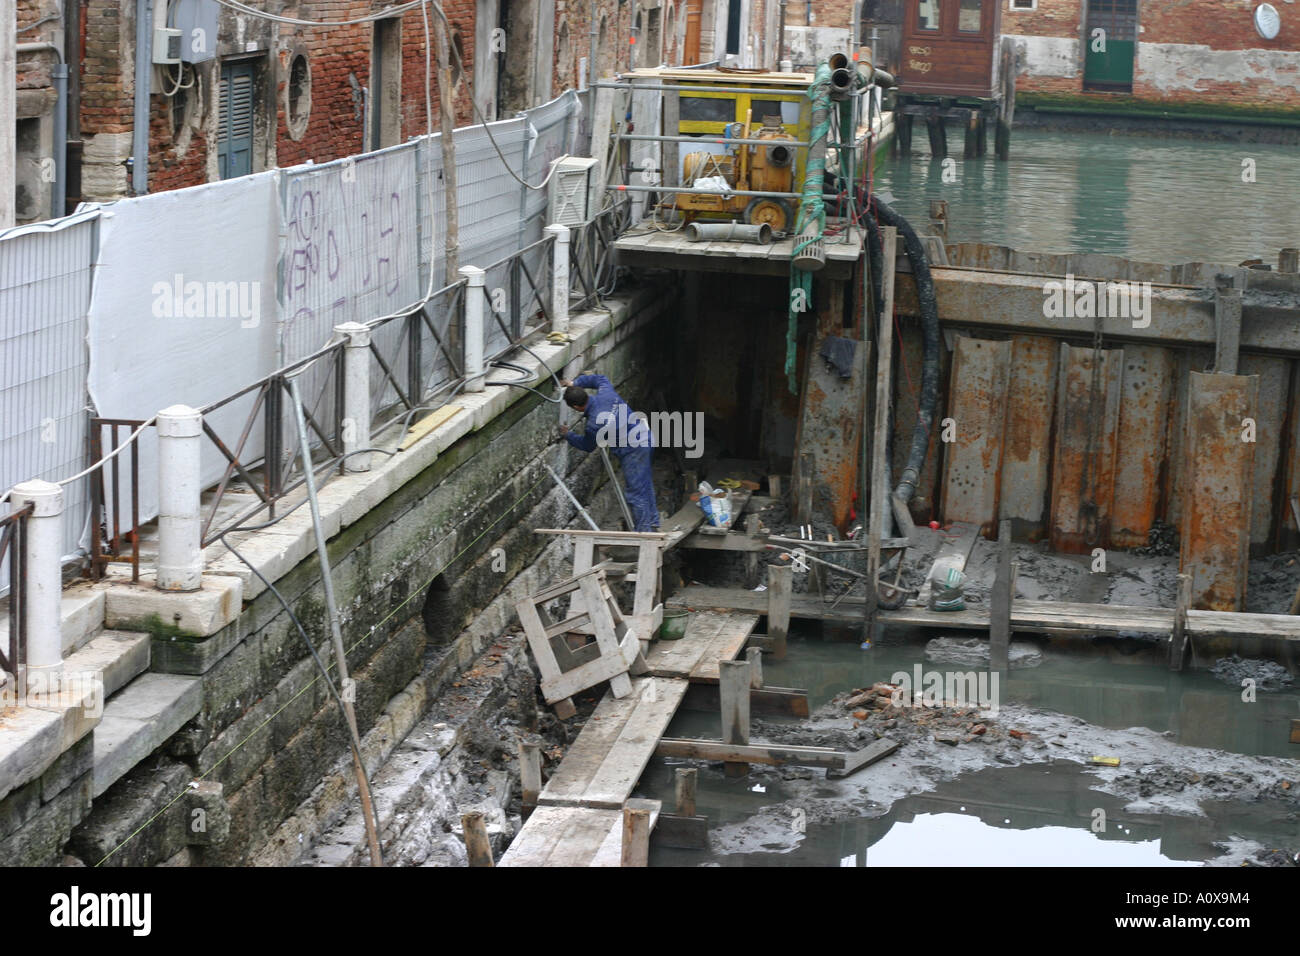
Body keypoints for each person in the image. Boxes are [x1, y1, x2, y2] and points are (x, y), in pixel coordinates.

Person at [560, 372, 660, 532]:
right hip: (644, 435)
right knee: (645, 482)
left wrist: (568, 435)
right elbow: (600, 378)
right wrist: (575, 382)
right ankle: (653, 522)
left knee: (635, 493)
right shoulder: (606, 392)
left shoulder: (594, 424)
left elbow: (587, 445)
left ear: (577, 407)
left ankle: (644, 535)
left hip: (633, 450)